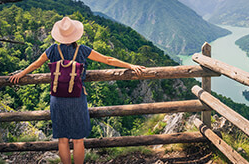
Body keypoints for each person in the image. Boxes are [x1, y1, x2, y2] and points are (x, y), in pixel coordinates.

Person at [9, 16, 146, 164]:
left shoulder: (53, 49)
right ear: (76, 34)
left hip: (57, 97)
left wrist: (21, 74)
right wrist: (130, 65)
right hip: (77, 97)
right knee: (78, 140)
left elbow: (36, 64)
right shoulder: (82, 50)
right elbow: (108, 60)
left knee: (62, 139)